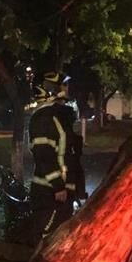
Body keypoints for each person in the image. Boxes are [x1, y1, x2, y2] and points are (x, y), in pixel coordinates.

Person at [25, 74, 85, 244]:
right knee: (48, 238)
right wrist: (58, 186)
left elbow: (69, 154)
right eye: (64, 85)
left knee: (61, 237)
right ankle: (39, 261)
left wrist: (76, 186)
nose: (68, 89)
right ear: (53, 90)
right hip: (50, 193)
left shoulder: (59, 116)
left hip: (63, 191)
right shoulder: (44, 118)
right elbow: (44, 155)